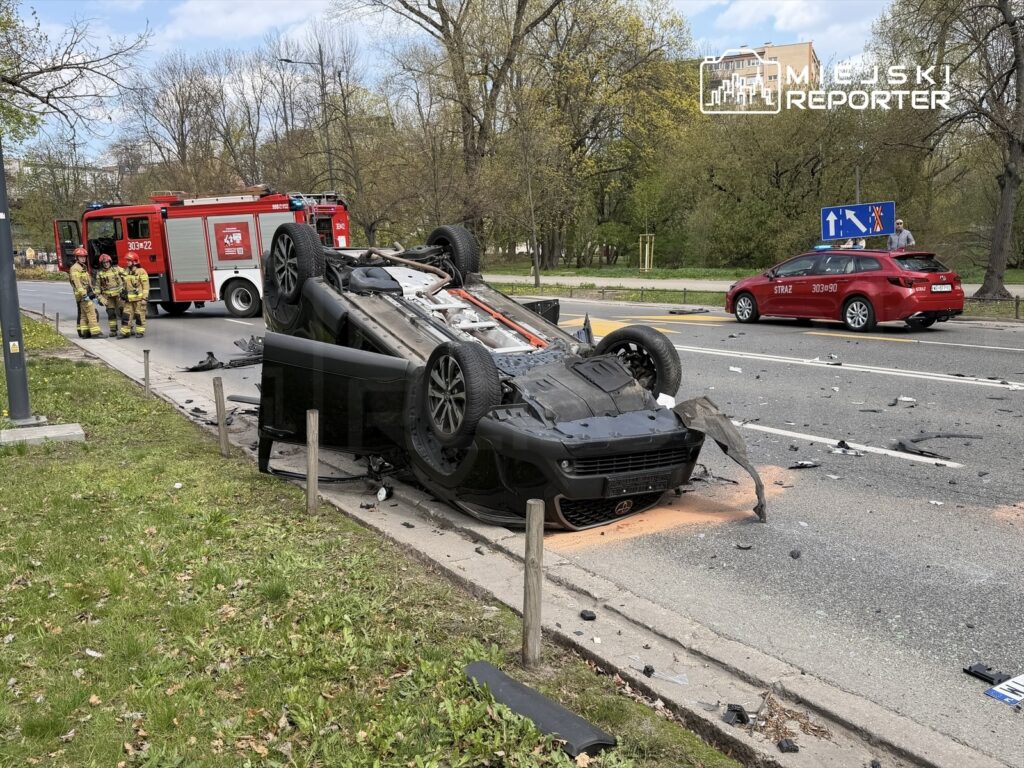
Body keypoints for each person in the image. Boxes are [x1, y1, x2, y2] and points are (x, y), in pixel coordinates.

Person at [69, 246, 102, 338]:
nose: (83, 258)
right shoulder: (75, 268)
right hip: (83, 296)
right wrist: (84, 294)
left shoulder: (82, 267)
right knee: (92, 313)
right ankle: (96, 333)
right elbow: (77, 283)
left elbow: (87, 283)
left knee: (83, 315)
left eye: (84, 257)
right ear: (76, 257)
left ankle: (85, 333)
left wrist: (93, 294)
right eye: (81, 257)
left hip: (86, 295)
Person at [94, 253, 126, 338]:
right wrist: (99, 298)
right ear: (101, 264)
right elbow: (97, 288)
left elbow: (127, 275)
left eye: (107, 262)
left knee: (123, 312)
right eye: (104, 263)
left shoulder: (117, 269)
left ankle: (128, 329)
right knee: (111, 313)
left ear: (110, 262)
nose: (106, 264)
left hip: (119, 295)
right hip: (108, 297)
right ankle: (113, 330)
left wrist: (126, 289)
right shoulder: (100, 274)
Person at [120, 253, 150, 338]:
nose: (127, 262)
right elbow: (124, 284)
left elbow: (146, 286)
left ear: (135, 262)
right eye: (127, 260)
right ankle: (125, 332)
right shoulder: (126, 271)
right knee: (126, 316)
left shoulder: (141, 271)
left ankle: (140, 332)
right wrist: (122, 294)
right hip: (128, 300)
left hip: (139, 299)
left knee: (139, 316)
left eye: (129, 260)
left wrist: (144, 298)